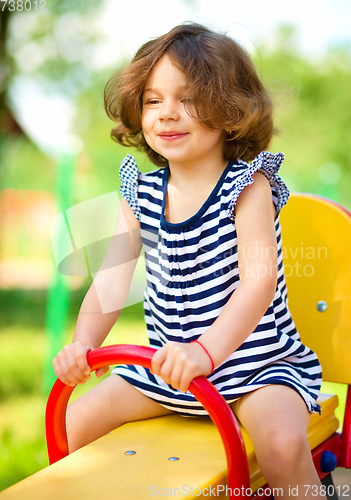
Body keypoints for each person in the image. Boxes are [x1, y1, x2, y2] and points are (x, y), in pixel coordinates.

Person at [53, 23, 323, 499]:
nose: (167, 115)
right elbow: (112, 285)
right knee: (77, 420)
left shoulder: (248, 186)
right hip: (172, 372)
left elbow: (258, 283)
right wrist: (82, 346)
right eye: (153, 101)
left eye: (189, 99)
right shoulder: (141, 194)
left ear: (231, 108)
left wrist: (207, 351)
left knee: (281, 444)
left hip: (257, 369)